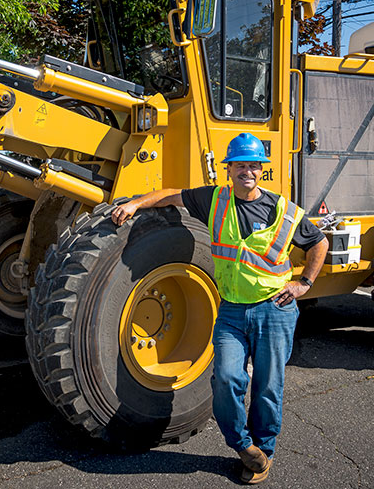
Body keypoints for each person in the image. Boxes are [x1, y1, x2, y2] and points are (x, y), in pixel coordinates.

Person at [111, 132, 329, 484]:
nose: (247, 171)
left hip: (274, 310)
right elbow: (172, 195)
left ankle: (263, 452)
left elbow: (319, 242)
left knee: (268, 387)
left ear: (262, 171)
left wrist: (304, 283)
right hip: (230, 310)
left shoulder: (283, 212)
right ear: (229, 170)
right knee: (226, 378)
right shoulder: (214, 199)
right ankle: (243, 446)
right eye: (240, 165)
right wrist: (136, 204)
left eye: (253, 166)